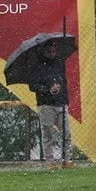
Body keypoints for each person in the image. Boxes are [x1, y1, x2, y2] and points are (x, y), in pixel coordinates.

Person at [27, 41, 70, 169]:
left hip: (61, 102)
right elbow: (33, 86)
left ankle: (66, 159)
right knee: (48, 133)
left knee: (66, 133)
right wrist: (47, 89)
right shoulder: (37, 67)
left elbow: (63, 80)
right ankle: (50, 161)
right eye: (49, 52)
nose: (52, 54)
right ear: (44, 51)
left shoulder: (60, 62)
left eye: (54, 51)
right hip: (46, 104)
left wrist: (63, 94)